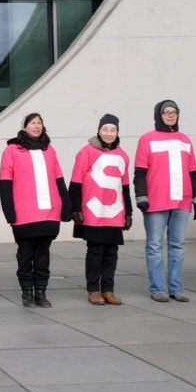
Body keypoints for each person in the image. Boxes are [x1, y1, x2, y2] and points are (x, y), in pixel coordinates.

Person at [0, 113, 71, 308]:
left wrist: (66, 206)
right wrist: (9, 210)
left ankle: (41, 291)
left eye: (40, 123)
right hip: (24, 213)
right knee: (25, 253)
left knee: (43, 254)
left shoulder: (49, 150)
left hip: (49, 211)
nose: (37, 126)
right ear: (24, 127)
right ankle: (27, 292)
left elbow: (59, 180)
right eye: (33, 123)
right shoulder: (12, 150)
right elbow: (5, 183)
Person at [134, 100, 196, 302]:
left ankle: (176, 288)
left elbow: (193, 172)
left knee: (178, 246)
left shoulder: (184, 140)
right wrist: (141, 197)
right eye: (166, 112)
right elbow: (140, 172)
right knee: (154, 246)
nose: (171, 115)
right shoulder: (147, 139)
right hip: (156, 202)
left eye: (174, 112)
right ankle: (157, 289)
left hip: (182, 201)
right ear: (158, 115)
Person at [70, 114, 133, 305]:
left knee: (111, 253)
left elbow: (125, 186)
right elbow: (75, 181)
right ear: (99, 130)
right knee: (96, 252)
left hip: (114, 212)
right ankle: (93, 289)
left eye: (113, 130)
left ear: (117, 132)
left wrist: (128, 212)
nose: (109, 133)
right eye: (105, 129)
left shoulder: (122, 155)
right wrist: (75, 207)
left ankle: (108, 289)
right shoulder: (86, 152)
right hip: (93, 211)